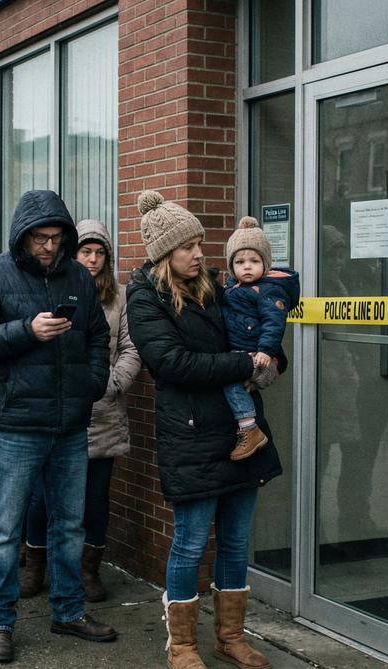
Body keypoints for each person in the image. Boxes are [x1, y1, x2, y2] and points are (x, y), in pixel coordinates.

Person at [126, 190, 281, 669]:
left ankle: (231, 636)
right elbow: (172, 363)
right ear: (164, 254)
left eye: (199, 244)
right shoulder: (145, 297)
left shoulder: (218, 287)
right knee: (191, 541)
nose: (199, 253)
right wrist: (239, 363)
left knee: (235, 541)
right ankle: (182, 645)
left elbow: (256, 336)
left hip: (241, 433)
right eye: (187, 247)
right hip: (191, 435)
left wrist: (268, 362)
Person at [0, 190, 116, 664]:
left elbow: (98, 337)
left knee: (69, 526)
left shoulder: (78, 278)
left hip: (70, 423)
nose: (49, 246)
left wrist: (92, 383)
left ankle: (68, 612)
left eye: (56, 237)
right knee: (4, 531)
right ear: (21, 236)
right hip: (15, 424)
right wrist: (26, 330)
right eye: (39, 238)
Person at [22, 219, 139, 604]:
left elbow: (130, 349)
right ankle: (35, 566)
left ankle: (88, 570)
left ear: (107, 257)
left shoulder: (120, 297)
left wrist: (106, 385)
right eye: (85, 252)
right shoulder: (56, 286)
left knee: (95, 497)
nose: (91, 259)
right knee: (42, 498)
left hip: (103, 413)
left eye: (98, 252)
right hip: (56, 413)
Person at [221, 216, 299, 460]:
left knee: (229, 379)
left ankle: (248, 427)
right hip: (243, 351)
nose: (246, 266)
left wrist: (266, 350)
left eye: (254, 261)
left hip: (255, 353)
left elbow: (274, 323)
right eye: (240, 261)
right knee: (235, 381)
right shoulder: (233, 289)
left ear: (265, 264)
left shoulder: (268, 290)